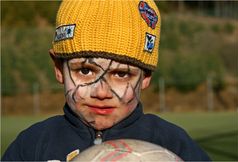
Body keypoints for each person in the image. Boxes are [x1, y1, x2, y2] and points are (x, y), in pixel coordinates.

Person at [2, 0, 211, 161]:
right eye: (85, 70)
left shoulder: (174, 145)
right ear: (59, 68)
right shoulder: (32, 145)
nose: (101, 92)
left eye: (121, 74)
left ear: (145, 76)